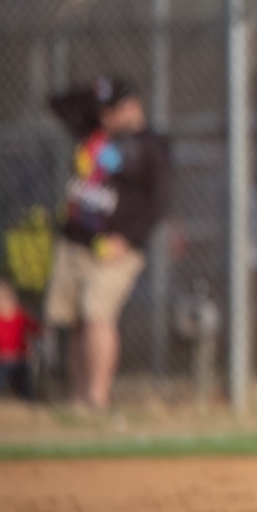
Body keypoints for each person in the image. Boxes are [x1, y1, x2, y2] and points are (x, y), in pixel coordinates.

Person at [43, 76, 171, 410]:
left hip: (116, 248)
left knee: (97, 313)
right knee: (75, 320)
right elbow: (57, 103)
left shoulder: (150, 145)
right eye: (104, 109)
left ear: (133, 107)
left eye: (114, 108)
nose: (106, 116)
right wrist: (96, 89)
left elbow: (159, 201)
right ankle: (78, 399)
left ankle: (97, 398)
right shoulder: (92, 131)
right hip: (75, 239)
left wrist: (129, 239)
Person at [0, 278, 40, 399]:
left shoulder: (19, 317)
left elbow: (35, 327)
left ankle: (25, 399)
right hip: (9, 357)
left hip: (14, 358)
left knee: (16, 383)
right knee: (4, 382)